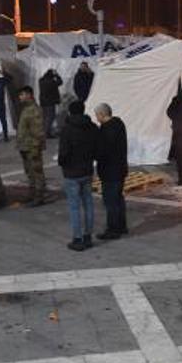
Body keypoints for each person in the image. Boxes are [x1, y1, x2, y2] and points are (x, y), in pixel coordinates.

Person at [59, 101, 98, 251]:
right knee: (88, 203)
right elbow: (96, 148)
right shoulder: (92, 127)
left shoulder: (67, 130)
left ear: (70, 112)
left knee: (74, 207)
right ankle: (88, 236)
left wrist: (64, 164)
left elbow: (63, 153)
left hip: (71, 172)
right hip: (87, 169)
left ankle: (77, 238)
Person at [95, 103, 129, 240]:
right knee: (118, 199)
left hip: (110, 171)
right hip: (120, 168)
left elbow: (103, 151)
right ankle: (121, 226)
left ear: (102, 114)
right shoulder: (119, 124)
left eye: (97, 115)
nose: (96, 118)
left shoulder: (107, 130)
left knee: (111, 201)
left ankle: (113, 229)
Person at [16, 86, 47, 207]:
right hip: (25, 146)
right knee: (29, 171)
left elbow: (38, 131)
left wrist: (35, 147)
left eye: (22, 94)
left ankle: (39, 196)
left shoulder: (34, 110)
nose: (20, 97)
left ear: (29, 95)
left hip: (32, 147)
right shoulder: (26, 109)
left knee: (36, 171)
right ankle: (32, 193)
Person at [39, 68, 64, 138]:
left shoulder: (41, 80)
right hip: (50, 102)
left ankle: (45, 132)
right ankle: (46, 133)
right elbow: (60, 82)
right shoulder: (51, 82)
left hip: (43, 102)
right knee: (50, 117)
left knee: (45, 117)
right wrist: (57, 75)